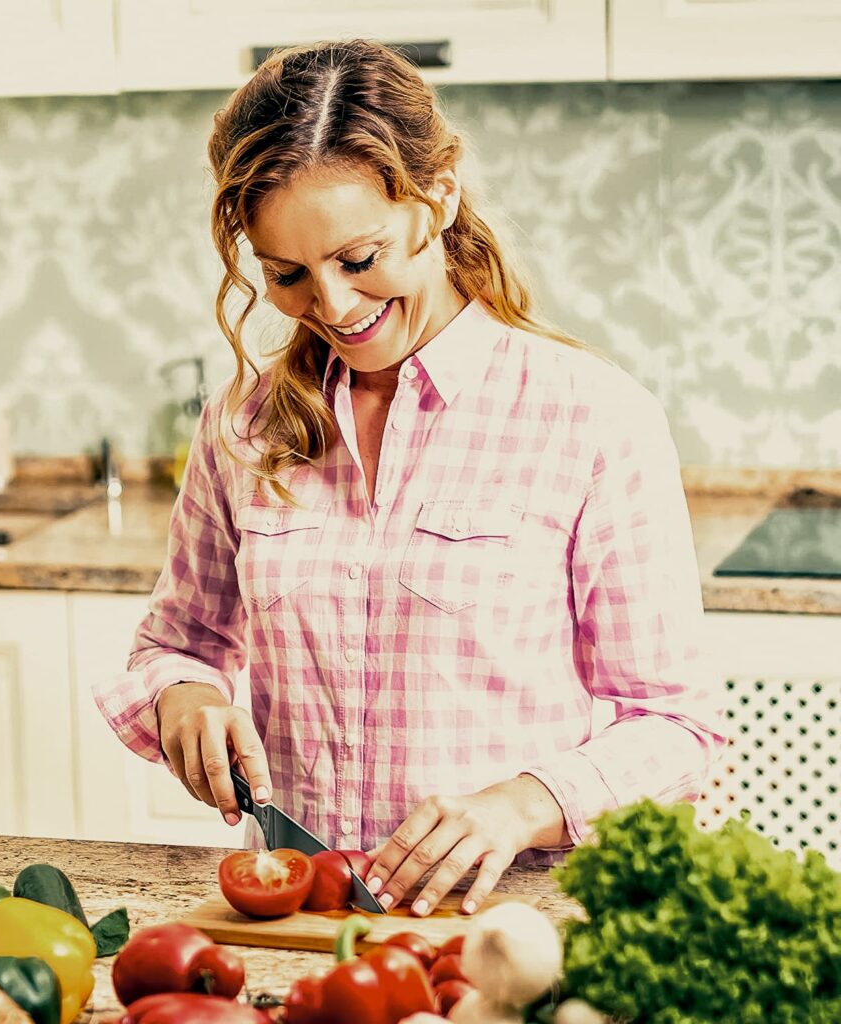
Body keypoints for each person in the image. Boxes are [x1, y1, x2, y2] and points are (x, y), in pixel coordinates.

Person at [95, 38, 725, 918]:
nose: (336, 306)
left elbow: (677, 726)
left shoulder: (591, 416)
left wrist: (522, 805)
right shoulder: (243, 423)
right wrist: (185, 700)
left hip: (509, 927)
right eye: (287, 275)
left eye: (360, 258)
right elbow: (177, 644)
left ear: (440, 194)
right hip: (300, 919)